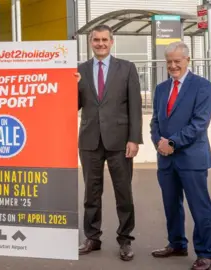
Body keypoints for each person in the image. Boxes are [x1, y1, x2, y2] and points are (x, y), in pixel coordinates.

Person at [76, 24, 143, 261]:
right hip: (90, 140)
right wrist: (70, 86)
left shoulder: (126, 68)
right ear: (90, 42)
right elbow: (72, 105)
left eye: (105, 40)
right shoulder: (79, 70)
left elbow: (135, 107)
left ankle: (125, 240)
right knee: (91, 194)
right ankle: (92, 238)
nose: (101, 44)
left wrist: (135, 139)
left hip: (120, 141)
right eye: (96, 40)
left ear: (111, 42)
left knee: (123, 192)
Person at [150, 41, 211, 270]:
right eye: (169, 62)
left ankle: (205, 253)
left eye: (177, 61)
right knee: (171, 205)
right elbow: (155, 121)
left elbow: (199, 123)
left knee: (200, 208)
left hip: (192, 158)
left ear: (188, 61)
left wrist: (173, 143)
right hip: (166, 159)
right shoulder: (160, 89)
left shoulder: (203, 86)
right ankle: (177, 243)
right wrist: (159, 143)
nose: (173, 66)